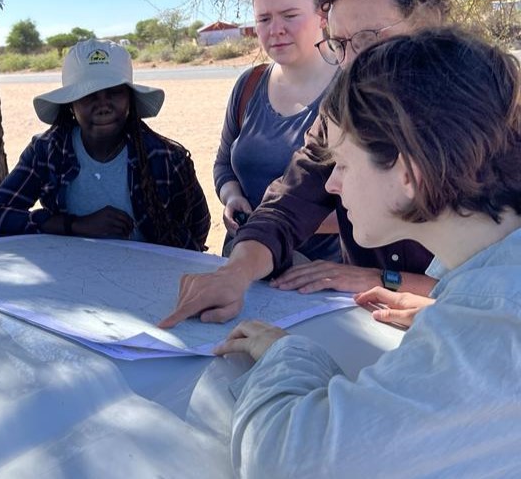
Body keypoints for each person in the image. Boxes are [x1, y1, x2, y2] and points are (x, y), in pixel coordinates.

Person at [214, 27, 521, 477]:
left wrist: (288, 356)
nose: (333, 183)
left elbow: (287, 459)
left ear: (408, 172)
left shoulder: (491, 329)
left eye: (343, 163)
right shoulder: (490, 291)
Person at [161, 0, 451, 328]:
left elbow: (496, 287)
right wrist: (235, 273)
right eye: (340, 44)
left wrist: (383, 279)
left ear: (428, 29)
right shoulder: (340, 114)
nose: (350, 64)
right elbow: (288, 203)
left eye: (367, 39)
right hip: (373, 327)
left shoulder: (488, 126)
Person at [0, 38, 210, 251]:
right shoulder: (47, 151)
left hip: (148, 277)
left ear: (130, 100)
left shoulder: (166, 158)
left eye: (114, 93)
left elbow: (198, 227)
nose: (103, 106)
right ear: (70, 105)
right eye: (89, 95)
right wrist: (74, 225)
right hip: (71, 272)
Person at [214, 0, 340, 262]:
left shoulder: (352, 88)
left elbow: (377, 203)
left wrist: (273, 223)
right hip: (244, 263)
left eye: (290, 15)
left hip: (320, 274)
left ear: (323, 15)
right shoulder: (249, 84)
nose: (276, 29)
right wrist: (232, 197)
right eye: (264, 19)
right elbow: (223, 165)